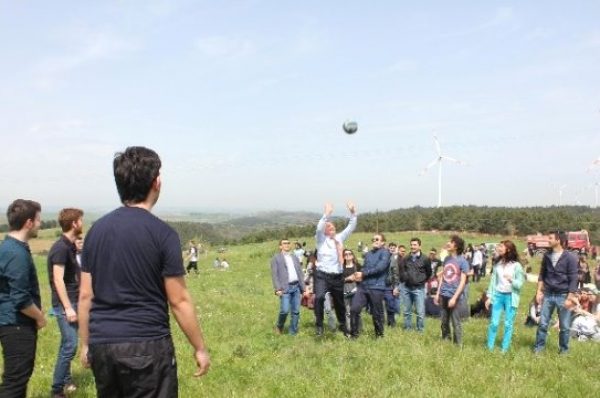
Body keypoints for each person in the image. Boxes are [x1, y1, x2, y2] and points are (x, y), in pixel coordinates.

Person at [78, 146, 210, 397]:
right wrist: (200, 348)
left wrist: (85, 343)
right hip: (147, 346)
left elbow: (86, 295)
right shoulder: (163, 234)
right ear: (156, 182)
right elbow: (179, 300)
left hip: (102, 345)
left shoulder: (96, 231)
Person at [0, 199, 46, 398]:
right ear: (28, 222)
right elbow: (20, 298)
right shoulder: (15, 253)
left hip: (11, 322)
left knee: (15, 379)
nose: (40, 224)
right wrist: (40, 317)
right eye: (38, 220)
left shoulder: (9, 247)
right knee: (15, 382)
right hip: (16, 325)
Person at [47, 208, 84, 397]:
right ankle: (56, 390)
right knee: (70, 345)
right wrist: (68, 307)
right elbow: (58, 279)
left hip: (73, 300)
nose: (82, 223)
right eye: (81, 220)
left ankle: (66, 380)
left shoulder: (70, 246)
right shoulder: (61, 248)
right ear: (74, 224)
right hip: (66, 304)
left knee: (66, 344)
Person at [313, 202, 357, 336]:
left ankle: (343, 325)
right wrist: (326, 214)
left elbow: (350, 227)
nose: (330, 226)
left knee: (340, 303)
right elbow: (319, 227)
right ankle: (319, 324)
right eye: (328, 226)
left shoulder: (340, 238)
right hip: (322, 275)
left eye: (332, 225)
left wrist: (353, 213)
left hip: (337, 276)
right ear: (325, 231)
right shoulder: (320, 239)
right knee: (319, 297)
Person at [533, 230, 579, 354]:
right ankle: (538, 349)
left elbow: (574, 278)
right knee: (542, 323)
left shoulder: (570, 257)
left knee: (564, 326)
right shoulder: (547, 256)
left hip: (563, 295)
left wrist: (570, 298)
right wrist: (538, 292)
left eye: (550, 238)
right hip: (548, 294)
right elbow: (542, 275)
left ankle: (564, 351)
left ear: (558, 240)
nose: (548, 240)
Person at [484, 240, 525, 353]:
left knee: (508, 323)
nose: (498, 247)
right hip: (498, 295)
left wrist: (512, 280)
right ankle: (489, 347)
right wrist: (489, 297)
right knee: (494, 322)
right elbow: (493, 282)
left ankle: (504, 348)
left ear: (508, 249)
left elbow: (520, 284)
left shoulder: (516, 266)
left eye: (501, 246)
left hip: (510, 297)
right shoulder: (497, 264)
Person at [349, 233, 391, 338]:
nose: (374, 241)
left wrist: (363, 273)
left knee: (377, 313)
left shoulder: (385, 253)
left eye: (377, 239)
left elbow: (380, 268)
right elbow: (365, 267)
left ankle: (379, 335)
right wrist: (359, 275)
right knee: (354, 308)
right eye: (373, 239)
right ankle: (354, 335)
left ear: (383, 242)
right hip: (363, 286)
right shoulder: (368, 254)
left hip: (377, 286)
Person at [434, 235, 469, 346]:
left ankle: (458, 345)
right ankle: (446, 341)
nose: (448, 243)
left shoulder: (463, 262)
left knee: (455, 322)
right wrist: (438, 293)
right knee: (444, 321)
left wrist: (454, 298)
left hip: (455, 296)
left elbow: (463, 282)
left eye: (451, 242)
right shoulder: (447, 259)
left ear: (457, 246)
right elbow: (443, 277)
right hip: (444, 294)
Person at [270, 239, 307, 335]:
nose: (287, 245)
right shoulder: (276, 258)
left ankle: (293, 332)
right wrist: (277, 289)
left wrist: (303, 289)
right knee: (285, 310)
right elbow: (274, 275)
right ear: (280, 246)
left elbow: (299, 273)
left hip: (296, 287)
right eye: (284, 243)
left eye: (288, 243)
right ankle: (279, 326)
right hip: (284, 288)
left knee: (296, 311)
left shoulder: (294, 257)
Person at [398, 238, 432, 332]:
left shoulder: (425, 259)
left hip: (419, 288)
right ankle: (407, 329)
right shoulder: (406, 258)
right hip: (406, 288)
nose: (412, 247)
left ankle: (420, 330)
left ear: (419, 246)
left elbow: (429, 272)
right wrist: (405, 278)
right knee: (406, 311)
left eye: (415, 245)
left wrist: (421, 280)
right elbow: (402, 271)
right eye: (411, 245)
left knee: (420, 312)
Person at [342, 249, 361, 333]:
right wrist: (348, 278)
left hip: (356, 289)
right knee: (348, 311)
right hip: (345, 289)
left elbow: (363, 277)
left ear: (353, 255)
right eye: (345, 254)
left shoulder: (358, 266)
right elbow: (337, 280)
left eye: (349, 254)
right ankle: (349, 330)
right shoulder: (341, 267)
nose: (347, 255)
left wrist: (357, 278)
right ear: (343, 256)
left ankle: (358, 329)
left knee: (356, 310)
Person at [383, 243, 400, 327]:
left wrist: (396, 286)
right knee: (378, 306)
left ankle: (391, 323)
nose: (392, 249)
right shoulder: (381, 257)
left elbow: (395, 274)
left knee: (390, 304)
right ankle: (380, 322)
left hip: (388, 286)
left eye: (393, 248)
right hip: (378, 285)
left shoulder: (393, 259)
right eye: (390, 248)